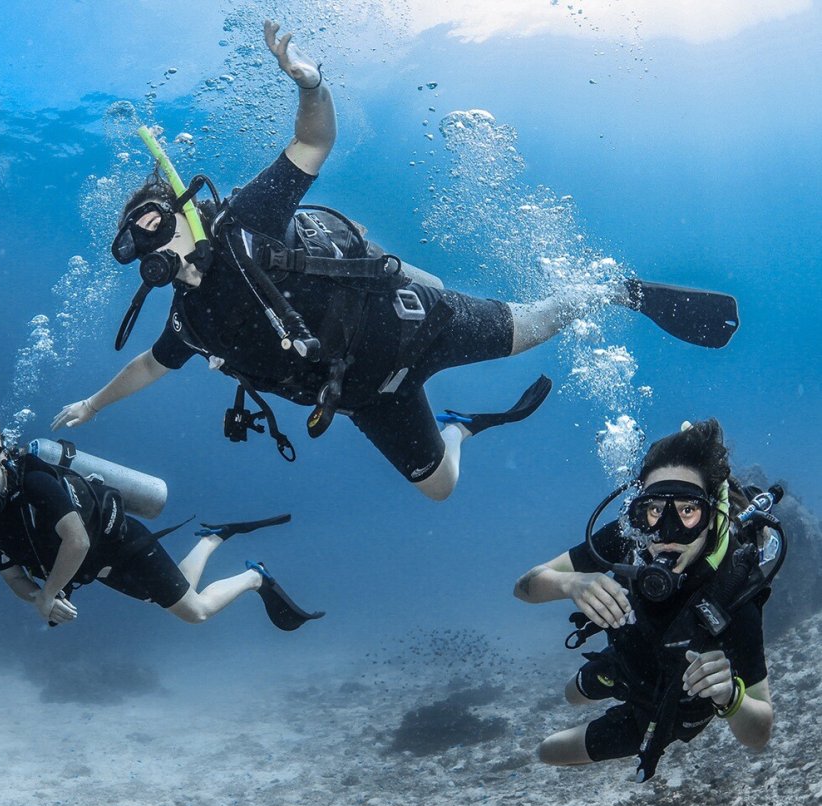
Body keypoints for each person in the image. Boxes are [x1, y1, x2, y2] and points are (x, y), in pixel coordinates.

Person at [53, 19, 739, 502]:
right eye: (134, 243)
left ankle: (612, 292)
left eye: (154, 221)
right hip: (367, 396)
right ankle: (461, 426)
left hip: (419, 322)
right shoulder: (191, 319)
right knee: (440, 489)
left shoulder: (248, 222)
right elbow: (148, 365)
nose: (151, 244)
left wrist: (310, 85)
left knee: (531, 328)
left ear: (185, 207)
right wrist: (92, 402)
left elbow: (314, 143)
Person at [513, 419, 781, 780]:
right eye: (654, 510)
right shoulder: (630, 537)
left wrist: (730, 696)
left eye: (687, 511)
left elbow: (759, 732)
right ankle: (605, 675)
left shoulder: (732, 586)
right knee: (572, 694)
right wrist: (570, 584)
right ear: (639, 511)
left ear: (710, 515)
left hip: (672, 704)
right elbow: (525, 586)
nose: (666, 535)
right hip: (624, 659)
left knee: (549, 752)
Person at [0, 440, 324, 631]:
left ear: (0, 462)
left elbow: (77, 541)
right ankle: (213, 537)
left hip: (123, 543)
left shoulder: (35, 482)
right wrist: (37, 598)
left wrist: (49, 593)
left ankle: (255, 576)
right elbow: (13, 577)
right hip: (99, 568)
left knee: (195, 613)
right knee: (172, 595)